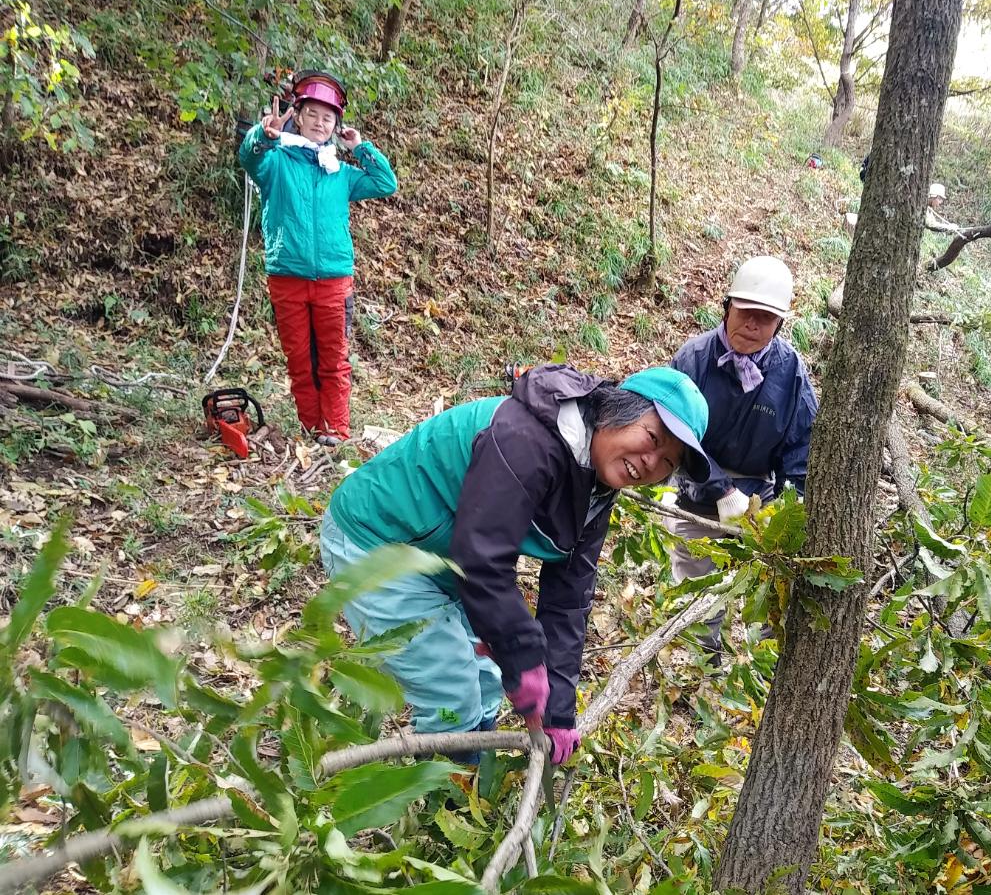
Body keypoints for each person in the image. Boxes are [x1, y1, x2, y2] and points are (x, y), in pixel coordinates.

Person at [319, 365, 711, 764]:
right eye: (652, 439)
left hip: (445, 561)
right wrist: (522, 653)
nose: (650, 462)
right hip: (375, 541)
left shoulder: (596, 486)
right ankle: (444, 793)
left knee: (488, 679)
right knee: (451, 692)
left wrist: (558, 711)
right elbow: (483, 559)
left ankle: (472, 771)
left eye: (667, 462)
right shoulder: (527, 440)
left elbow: (568, 599)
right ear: (616, 409)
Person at [669, 256, 819, 663]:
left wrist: (792, 513)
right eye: (745, 312)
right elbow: (676, 433)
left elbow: (800, 452)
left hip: (760, 504)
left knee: (772, 590)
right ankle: (702, 668)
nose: (752, 325)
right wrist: (720, 488)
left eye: (765, 318)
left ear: (779, 324)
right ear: (727, 306)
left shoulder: (790, 373)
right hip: (695, 493)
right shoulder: (693, 360)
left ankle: (768, 672)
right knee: (699, 591)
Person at [238, 72, 397, 446]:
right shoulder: (275, 161)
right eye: (313, 114)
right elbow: (248, 156)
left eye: (328, 118)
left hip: (333, 279)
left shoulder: (338, 171)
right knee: (299, 361)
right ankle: (312, 429)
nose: (320, 123)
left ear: (335, 125)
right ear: (298, 114)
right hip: (287, 276)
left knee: (334, 361)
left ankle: (335, 430)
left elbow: (385, 182)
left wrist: (360, 147)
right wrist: (263, 135)